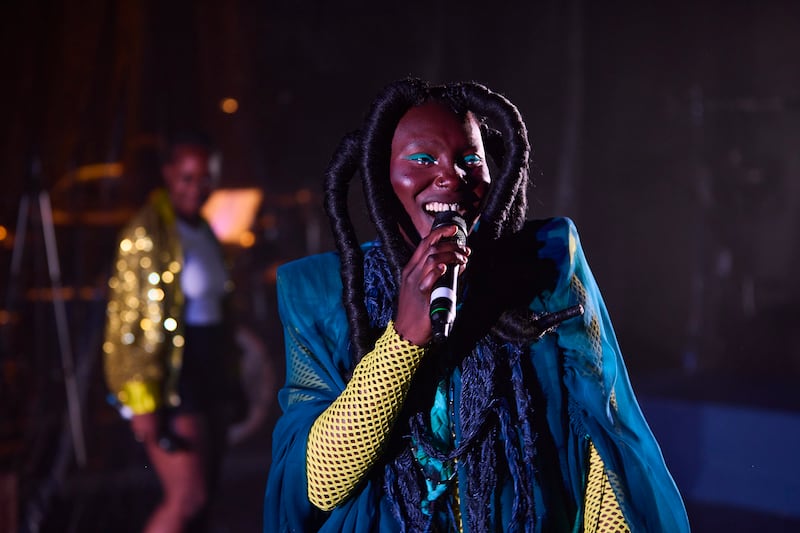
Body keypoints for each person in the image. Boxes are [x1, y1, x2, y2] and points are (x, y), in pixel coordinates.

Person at [263, 78, 690, 532]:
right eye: (423, 159)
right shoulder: (321, 293)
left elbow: (601, 445)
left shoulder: (544, 267)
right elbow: (320, 483)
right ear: (379, 174)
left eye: (470, 160)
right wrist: (403, 339)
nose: (451, 176)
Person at [103, 130, 240, 532]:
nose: (197, 188)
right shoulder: (147, 234)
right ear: (167, 175)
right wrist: (141, 398)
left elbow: (219, 309)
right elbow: (129, 322)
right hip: (175, 377)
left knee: (207, 497)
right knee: (187, 495)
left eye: (205, 178)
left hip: (210, 367)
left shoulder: (203, 231)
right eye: (187, 177)